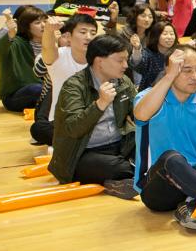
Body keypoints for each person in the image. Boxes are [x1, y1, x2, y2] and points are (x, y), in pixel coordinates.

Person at [133, 45, 196, 232]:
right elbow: (141, 115)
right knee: (173, 158)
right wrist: (169, 77)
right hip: (159, 187)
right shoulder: (149, 97)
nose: (195, 76)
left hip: (194, 179)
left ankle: (191, 205)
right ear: (170, 70)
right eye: (186, 70)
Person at [47, 33, 139, 196]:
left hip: (119, 146)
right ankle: (123, 178)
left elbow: (139, 112)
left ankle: (125, 178)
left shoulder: (123, 82)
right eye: (120, 60)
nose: (125, 65)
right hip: (82, 153)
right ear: (99, 61)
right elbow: (73, 128)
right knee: (120, 167)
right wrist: (100, 104)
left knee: (154, 153)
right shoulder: (74, 86)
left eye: (126, 60)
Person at [30, 13, 96, 146]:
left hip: (94, 120)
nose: (88, 37)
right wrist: (49, 30)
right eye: (83, 32)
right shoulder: (59, 56)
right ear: (69, 36)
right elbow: (48, 47)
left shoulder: (99, 58)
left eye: (93, 33)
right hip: (63, 122)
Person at [0, 7, 45, 111]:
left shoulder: (51, 42)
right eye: (37, 22)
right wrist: (10, 33)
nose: (43, 25)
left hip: (45, 90)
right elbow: (0, 50)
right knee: (37, 89)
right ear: (27, 27)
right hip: (15, 96)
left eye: (45, 21)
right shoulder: (17, 43)